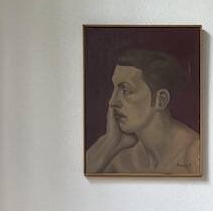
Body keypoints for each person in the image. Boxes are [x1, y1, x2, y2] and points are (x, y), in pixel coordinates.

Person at [85, 48, 201, 176]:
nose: (112, 102)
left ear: (160, 100)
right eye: (115, 89)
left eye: (126, 90)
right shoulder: (120, 156)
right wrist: (109, 140)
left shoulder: (194, 153)